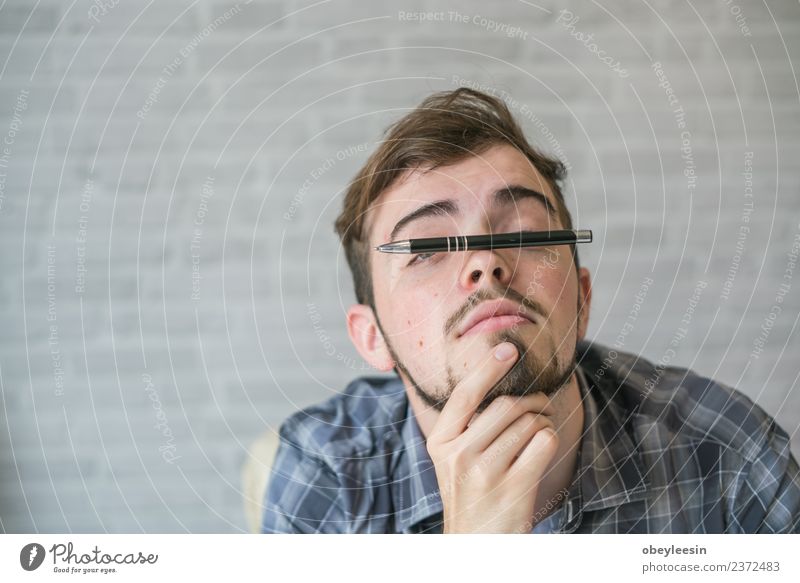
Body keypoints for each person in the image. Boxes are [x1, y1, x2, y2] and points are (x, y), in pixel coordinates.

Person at [261, 88, 800, 533]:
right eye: (425, 248)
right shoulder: (327, 474)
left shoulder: (729, 452)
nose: (485, 264)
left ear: (582, 299)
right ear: (372, 335)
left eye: (525, 233)